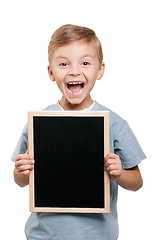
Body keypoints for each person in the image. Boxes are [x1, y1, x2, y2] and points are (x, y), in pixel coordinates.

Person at [11, 24, 146, 240]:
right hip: (43, 235)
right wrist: (21, 171)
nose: (74, 71)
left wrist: (119, 173)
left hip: (97, 235)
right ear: (51, 72)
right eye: (64, 64)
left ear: (100, 70)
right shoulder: (38, 123)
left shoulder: (115, 123)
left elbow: (137, 182)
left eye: (85, 63)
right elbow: (20, 179)